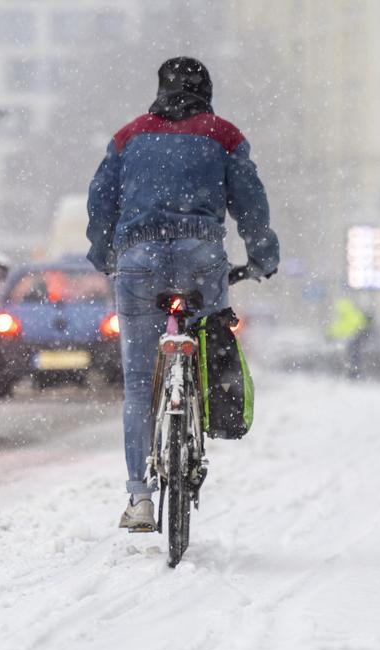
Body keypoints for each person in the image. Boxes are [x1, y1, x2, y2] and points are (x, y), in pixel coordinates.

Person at [86, 57, 279, 531]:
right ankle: (197, 420)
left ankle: (139, 498)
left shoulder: (128, 136)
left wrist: (102, 252)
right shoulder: (224, 136)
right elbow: (251, 204)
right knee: (210, 348)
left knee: (136, 383)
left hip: (138, 257)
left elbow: (100, 199)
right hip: (201, 256)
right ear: (206, 92)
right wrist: (261, 258)